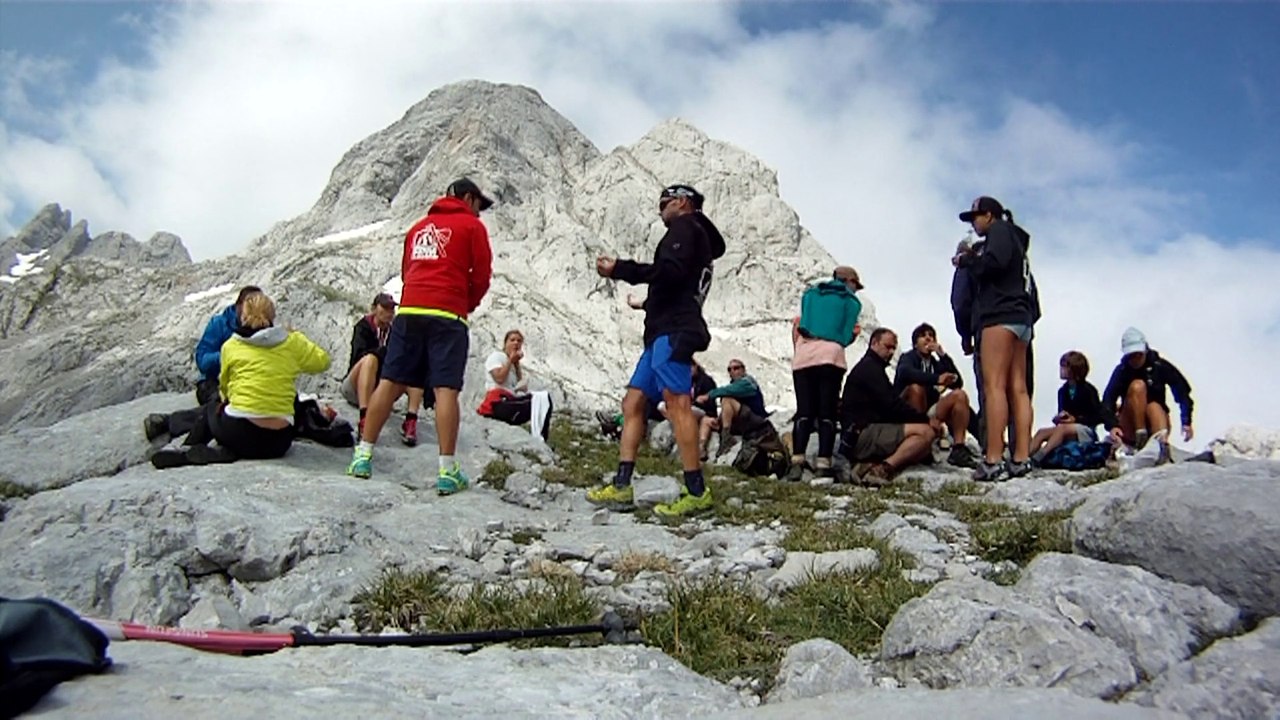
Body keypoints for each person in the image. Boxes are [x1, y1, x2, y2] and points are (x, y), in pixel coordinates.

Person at [345, 178, 494, 494]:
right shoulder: (472, 227)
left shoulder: (417, 229)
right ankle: (447, 471)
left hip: (410, 311)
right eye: (479, 205)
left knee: (390, 381)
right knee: (445, 389)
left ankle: (363, 456)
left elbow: (406, 272)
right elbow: (481, 276)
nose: (479, 212)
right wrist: (464, 303)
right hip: (447, 315)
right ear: (468, 198)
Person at [587, 183, 726, 517]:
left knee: (678, 404)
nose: (660, 209)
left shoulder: (685, 227)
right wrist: (647, 304)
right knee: (633, 402)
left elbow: (670, 272)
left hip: (673, 331)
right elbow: (680, 285)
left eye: (664, 203)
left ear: (682, 202)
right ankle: (622, 485)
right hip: (663, 330)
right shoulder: (699, 238)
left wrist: (620, 269)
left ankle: (697, 492)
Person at [150, 293, 330, 467]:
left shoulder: (231, 346)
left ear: (242, 316)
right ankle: (226, 452)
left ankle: (188, 449)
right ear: (272, 316)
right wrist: (298, 337)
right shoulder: (292, 342)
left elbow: (225, 388)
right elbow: (323, 362)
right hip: (279, 442)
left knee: (212, 409)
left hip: (238, 434)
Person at [955, 196, 1037, 481]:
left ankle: (993, 459)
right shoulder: (1018, 241)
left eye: (975, 217)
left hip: (998, 315)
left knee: (994, 387)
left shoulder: (999, 232)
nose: (974, 224)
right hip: (1022, 318)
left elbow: (994, 264)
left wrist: (967, 260)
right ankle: (1021, 457)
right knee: (1019, 389)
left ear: (989, 215)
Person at [786, 266, 863, 481]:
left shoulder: (810, 294)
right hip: (831, 357)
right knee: (826, 413)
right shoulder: (851, 302)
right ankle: (823, 463)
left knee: (804, 412)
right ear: (848, 281)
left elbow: (800, 325)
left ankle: (797, 461)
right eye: (855, 285)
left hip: (803, 357)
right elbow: (845, 336)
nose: (856, 290)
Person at [837, 328, 943, 484]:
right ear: (874, 343)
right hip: (861, 433)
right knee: (926, 433)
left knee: (922, 445)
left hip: (861, 432)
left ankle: (868, 465)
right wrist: (925, 420)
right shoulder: (870, 369)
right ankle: (883, 469)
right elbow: (891, 406)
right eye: (888, 347)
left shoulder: (872, 367)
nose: (891, 352)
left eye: (893, 348)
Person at [340, 292, 427, 445]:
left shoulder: (396, 332)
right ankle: (365, 418)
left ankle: (411, 420)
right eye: (385, 308)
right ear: (374, 309)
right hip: (355, 387)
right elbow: (358, 357)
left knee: (414, 366)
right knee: (370, 360)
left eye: (391, 309)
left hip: (381, 390)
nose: (389, 313)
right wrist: (384, 352)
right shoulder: (363, 327)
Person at [1100, 327, 1194, 466]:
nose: (1135, 359)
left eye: (1138, 354)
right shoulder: (1122, 371)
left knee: (1154, 406)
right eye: (1131, 356)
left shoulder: (1160, 366)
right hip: (1130, 425)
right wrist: (1112, 425)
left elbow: (1182, 391)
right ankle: (1140, 437)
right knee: (1137, 387)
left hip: (1155, 418)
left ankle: (1160, 445)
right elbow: (1108, 400)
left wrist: (1186, 421)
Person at [893, 322, 979, 468]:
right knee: (916, 389)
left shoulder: (935, 363)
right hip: (907, 412)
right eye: (923, 336)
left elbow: (957, 382)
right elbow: (906, 373)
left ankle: (958, 448)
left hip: (930, 411)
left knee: (959, 395)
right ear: (915, 343)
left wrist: (943, 356)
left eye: (931, 336)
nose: (928, 339)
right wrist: (937, 379)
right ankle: (919, 442)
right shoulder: (908, 357)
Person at [1029, 350, 1115, 465]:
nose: (1061, 369)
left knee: (1062, 429)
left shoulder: (1088, 390)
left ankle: (1040, 456)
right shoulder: (1063, 391)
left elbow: (1097, 416)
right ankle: (1026, 456)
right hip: (1066, 428)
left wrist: (1076, 419)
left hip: (1086, 430)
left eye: (1064, 367)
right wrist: (1059, 418)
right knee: (1042, 432)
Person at [477, 329, 554, 442]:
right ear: (505, 343)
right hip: (497, 403)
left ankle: (540, 436)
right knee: (540, 399)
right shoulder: (497, 356)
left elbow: (519, 385)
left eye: (519, 341)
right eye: (512, 340)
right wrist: (510, 360)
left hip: (510, 400)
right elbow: (499, 378)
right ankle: (540, 437)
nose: (516, 343)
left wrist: (516, 364)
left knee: (543, 399)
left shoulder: (513, 365)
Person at [193, 285, 261, 405]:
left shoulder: (262, 323)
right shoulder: (219, 323)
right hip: (215, 380)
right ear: (238, 306)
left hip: (248, 379)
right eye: (249, 305)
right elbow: (203, 362)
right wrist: (228, 356)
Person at [700, 359, 769, 461]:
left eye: (736, 368)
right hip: (740, 422)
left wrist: (709, 395)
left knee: (727, 399)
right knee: (706, 420)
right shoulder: (733, 385)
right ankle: (701, 448)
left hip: (755, 420)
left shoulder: (748, 383)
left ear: (743, 369)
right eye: (729, 369)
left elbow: (730, 391)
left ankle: (726, 438)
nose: (732, 371)